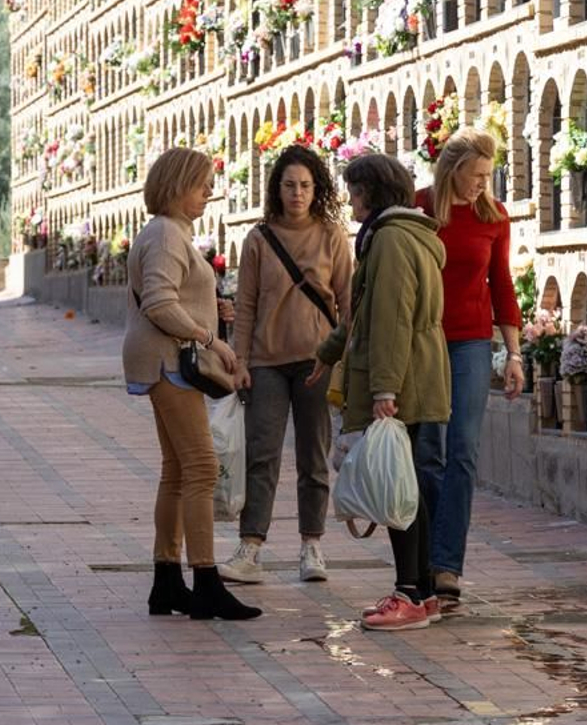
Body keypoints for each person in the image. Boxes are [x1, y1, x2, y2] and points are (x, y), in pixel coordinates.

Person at [310, 153, 450, 631]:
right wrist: (329, 352)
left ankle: (408, 593)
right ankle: (425, 590)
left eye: (354, 189)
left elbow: (391, 319)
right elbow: (364, 315)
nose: (349, 198)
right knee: (410, 487)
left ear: (371, 191)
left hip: (401, 379)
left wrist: (385, 388)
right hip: (418, 374)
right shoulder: (407, 234)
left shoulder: (389, 240)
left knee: (397, 489)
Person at [125, 147, 262, 622]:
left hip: (163, 361)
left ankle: (167, 582)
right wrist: (209, 337)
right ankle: (205, 581)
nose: (208, 193)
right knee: (202, 467)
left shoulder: (168, 232)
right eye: (201, 184)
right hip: (170, 364)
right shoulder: (166, 233)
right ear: (177, 185)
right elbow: (159, 304)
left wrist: (209, 313)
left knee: (179, 470)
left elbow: (172, 297)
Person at [220, 144, 352, 585]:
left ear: (317, 190)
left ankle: (311, 546)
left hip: (317, 361)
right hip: (267, 364)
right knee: (263, 455)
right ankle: (250, 548)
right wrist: (240, 361)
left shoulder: (332, 235)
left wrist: (345, 357)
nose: (298, 193)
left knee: (313, 456)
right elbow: (247, 304)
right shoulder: (258, 239)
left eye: (306, 186)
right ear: (277, 189)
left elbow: (347, 301)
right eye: (290, 185)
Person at [415, 128, 525, 608]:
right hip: (424, 341)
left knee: (462, 450)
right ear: (452, 168)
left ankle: (446, 565)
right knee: (428, 451)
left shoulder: (494, 215)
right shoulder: (419, 207)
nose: (483, 183)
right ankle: (429, 556)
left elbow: (501, 283)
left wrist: (514, 352)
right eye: (476, 174)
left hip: (472, 343)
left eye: (488, 175)